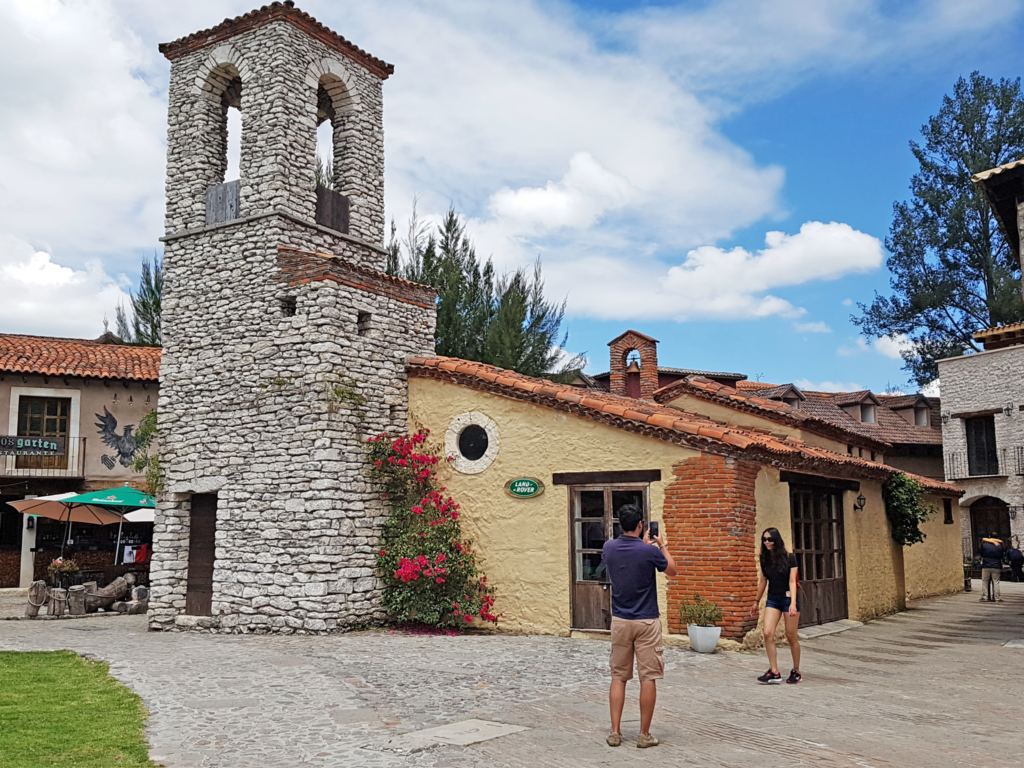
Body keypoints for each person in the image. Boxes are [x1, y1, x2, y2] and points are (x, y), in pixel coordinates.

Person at [602, 504, 677, 749]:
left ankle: (615, 732)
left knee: (618, 676)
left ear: (620, 524)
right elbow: (673, 570)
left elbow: (622, 558)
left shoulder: (609, 547)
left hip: (621, 620)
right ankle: (644, 735)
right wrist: (661, 545)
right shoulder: (649, 552)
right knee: (648, 677)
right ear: (641, 525)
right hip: (646, 620)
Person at [749, 527, 801, 684]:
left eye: (770, 539)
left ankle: (796, 671)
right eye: (764, 539)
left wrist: (792, 603)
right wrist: (756, 601)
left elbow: (792, 581)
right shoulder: (764, 559)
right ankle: (774, 671)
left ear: (777, 541)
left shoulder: (790, 558)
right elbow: (763, 581)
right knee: (767, 633)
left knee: (791, 635)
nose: (767, 542)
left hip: (788, 598)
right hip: (773, 599)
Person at [980, 533, 1006, 601]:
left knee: (985, 581)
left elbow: (981, 553)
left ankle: (985, 597)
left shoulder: (984, 545)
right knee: (996, 582)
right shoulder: (1000, 546)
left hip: (986, 565)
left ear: (989, 537)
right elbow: (1002, 555)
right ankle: (997, 597)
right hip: (996, 565)